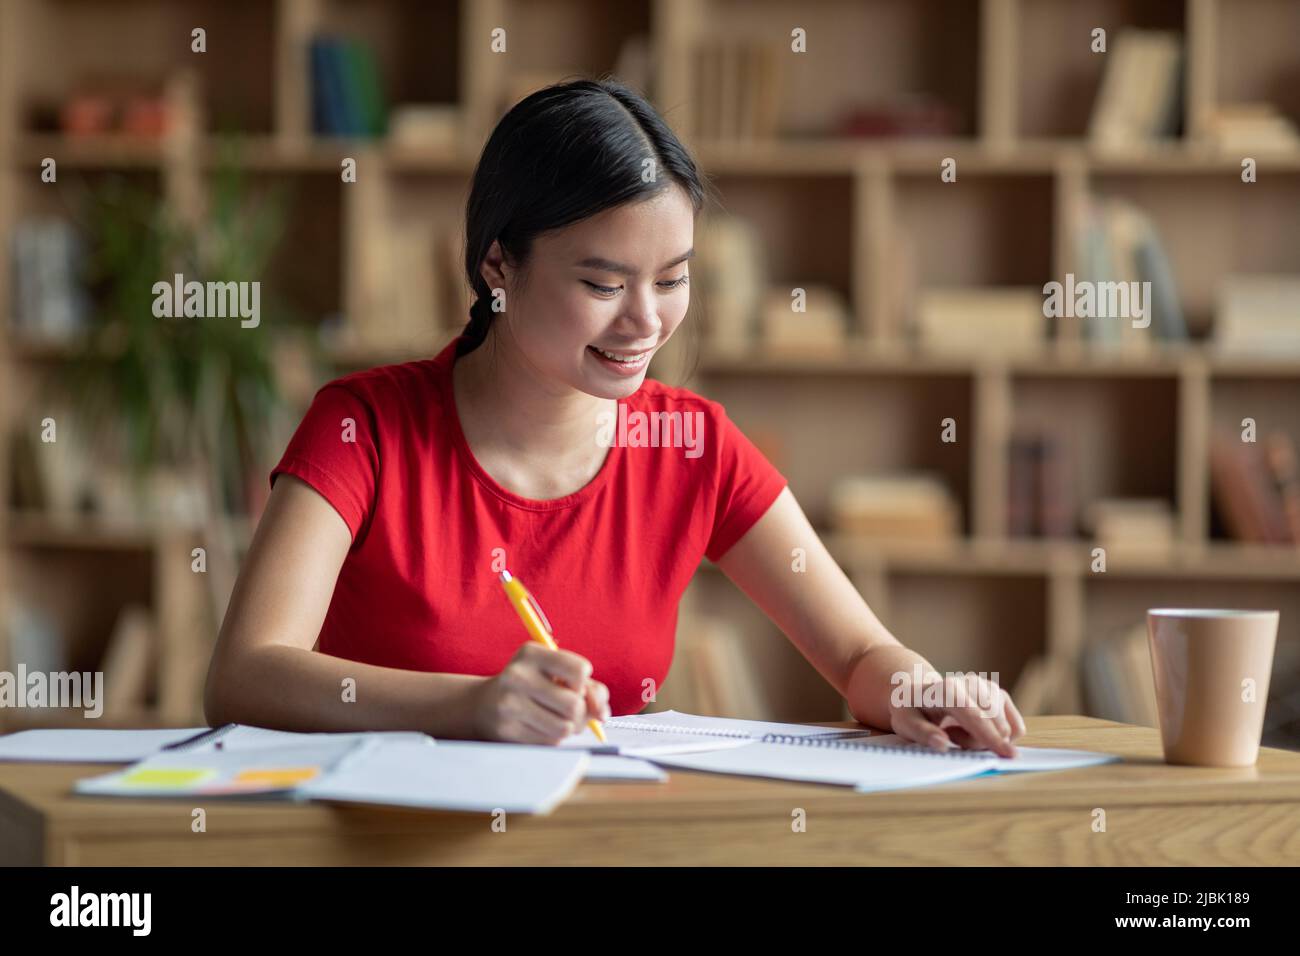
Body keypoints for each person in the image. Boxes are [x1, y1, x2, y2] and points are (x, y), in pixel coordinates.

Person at [204, 78, 1025, 756]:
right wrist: (472, 706)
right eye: (603, 285)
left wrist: (919, 684)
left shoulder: (692, 443)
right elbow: (244, 675)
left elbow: (855, 654)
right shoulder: (365, 429)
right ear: (499, 265)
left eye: (672, 279)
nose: (645, 323)